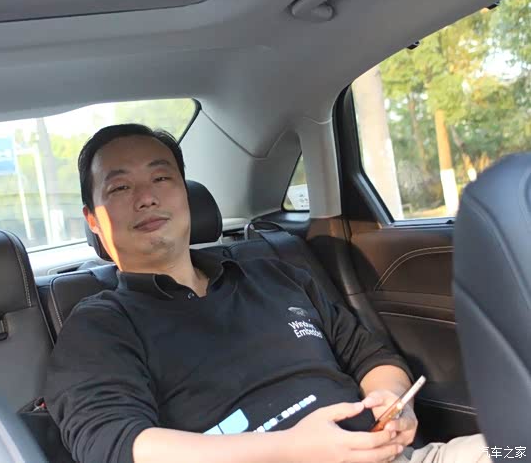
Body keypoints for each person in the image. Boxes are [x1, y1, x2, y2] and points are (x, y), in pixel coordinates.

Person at [44, 123, 490, 463]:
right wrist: (290, 448)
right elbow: (116, 446)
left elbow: (370, 356)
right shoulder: (100, 326)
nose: (146, 198)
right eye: (120, 187)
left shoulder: (273, 274)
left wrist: (394, 402)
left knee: (515, 448)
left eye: (161, 179)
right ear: (93, 220)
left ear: (185, 194)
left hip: (398, 456)